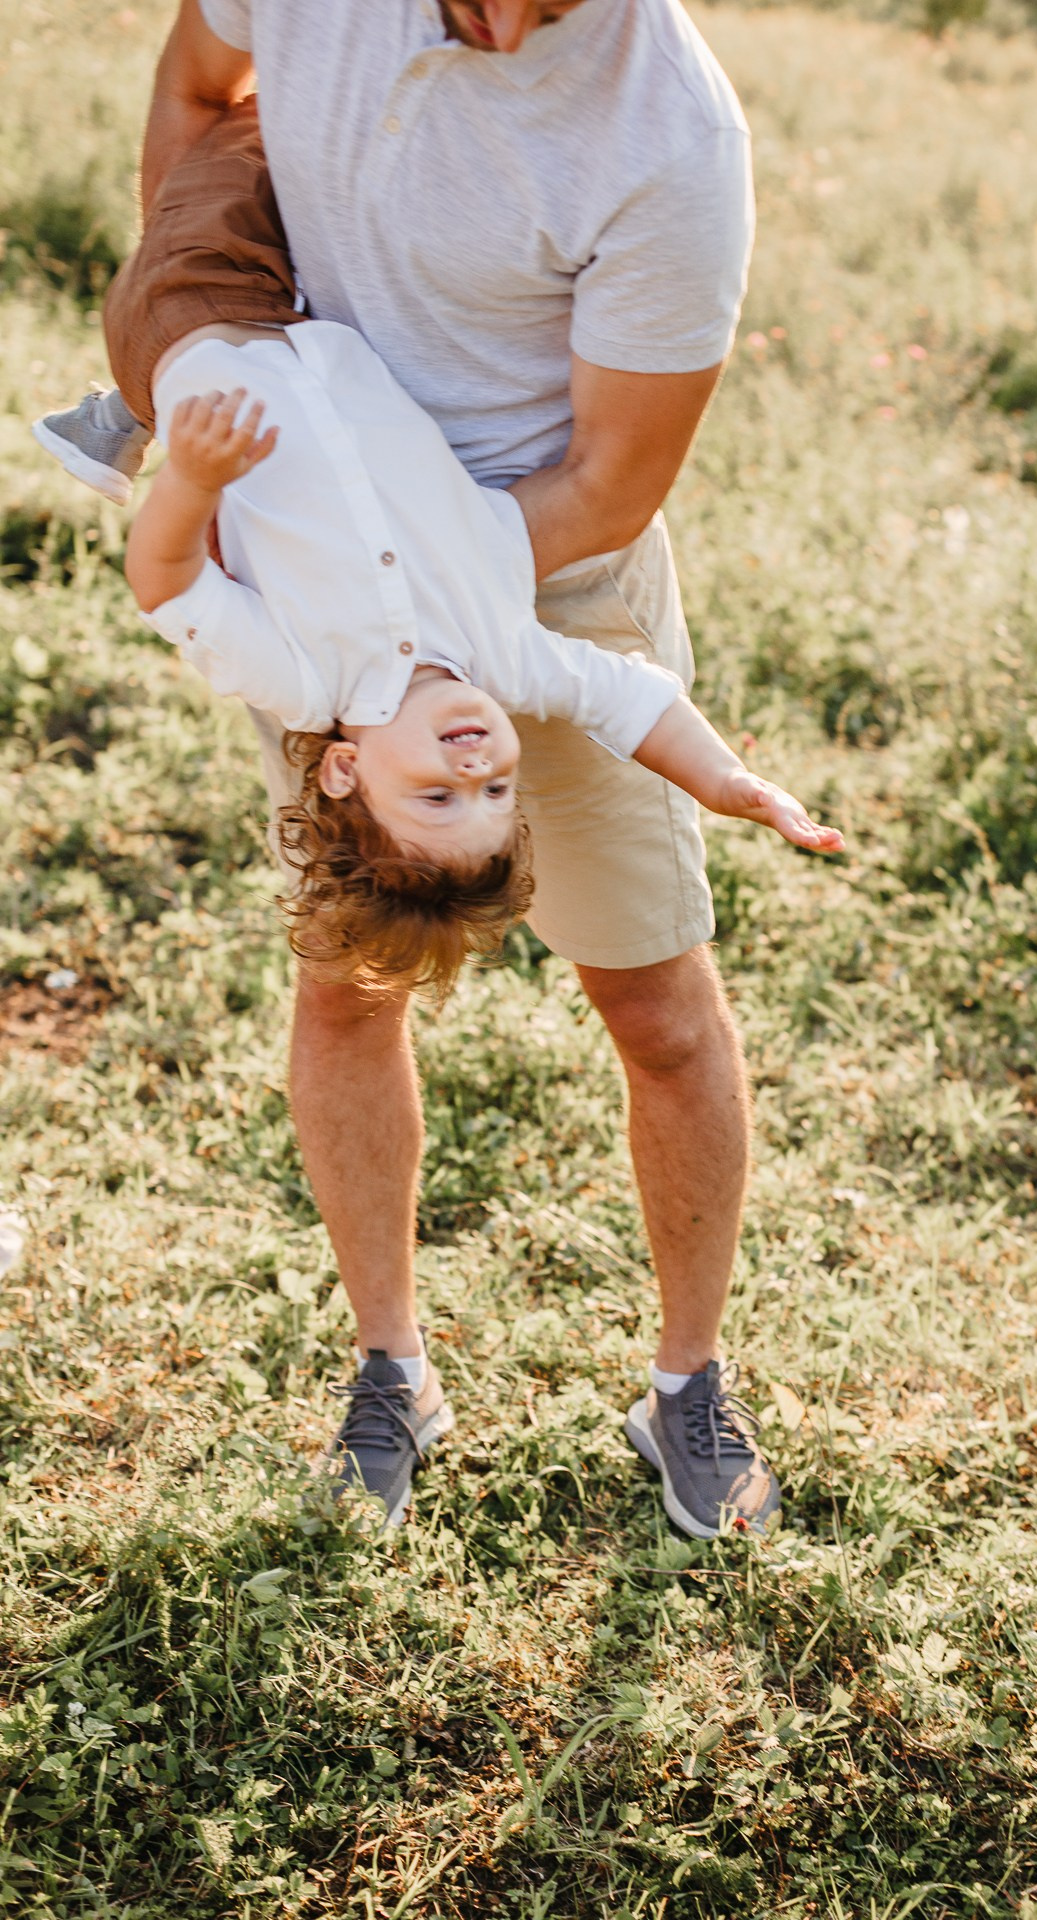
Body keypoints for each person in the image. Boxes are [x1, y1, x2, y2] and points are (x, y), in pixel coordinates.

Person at [94, 0, 794, 1542]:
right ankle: (391, 1366)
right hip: (336, 588)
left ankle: (687, 1380)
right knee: (352, 979)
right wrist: (180, 344)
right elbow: (198, 79)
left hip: (549, 568)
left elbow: (612, 480)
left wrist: (425, 588)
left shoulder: (665, 136)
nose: (507, 19)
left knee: (662, 1009)